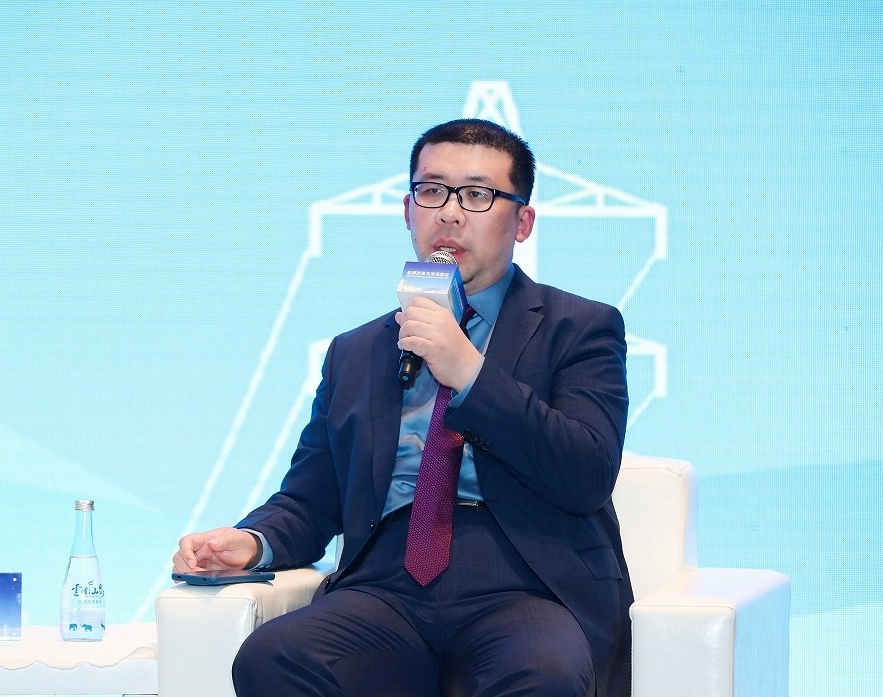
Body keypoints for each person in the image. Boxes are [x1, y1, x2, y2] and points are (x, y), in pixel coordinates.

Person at [173, 118, 633, 697]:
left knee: (541, 673)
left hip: (525, 583)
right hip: (386, 586)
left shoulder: (580, 328)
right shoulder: (356, 351)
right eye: (432, 191)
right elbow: (312, 499)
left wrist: (469, 372)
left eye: (478, 194)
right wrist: (253, 541)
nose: (450, 213)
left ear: (523, 222)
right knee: (275, 657)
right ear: (408, 211)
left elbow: (586, 472)